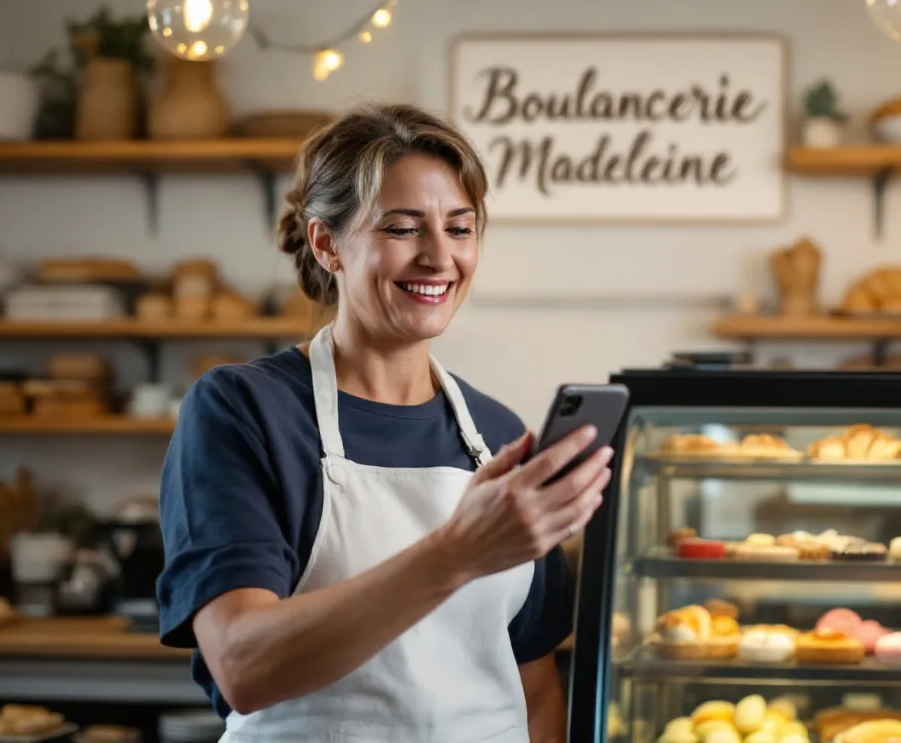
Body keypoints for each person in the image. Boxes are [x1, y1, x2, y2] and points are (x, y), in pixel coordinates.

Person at [156, 103, 611, 743]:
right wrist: (457, 554)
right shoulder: (244, 411)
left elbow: (534, 689)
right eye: (401, 229)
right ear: (326, 244)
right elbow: (242, 664)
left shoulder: (495, 433)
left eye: (460, 228)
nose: (438, 257)